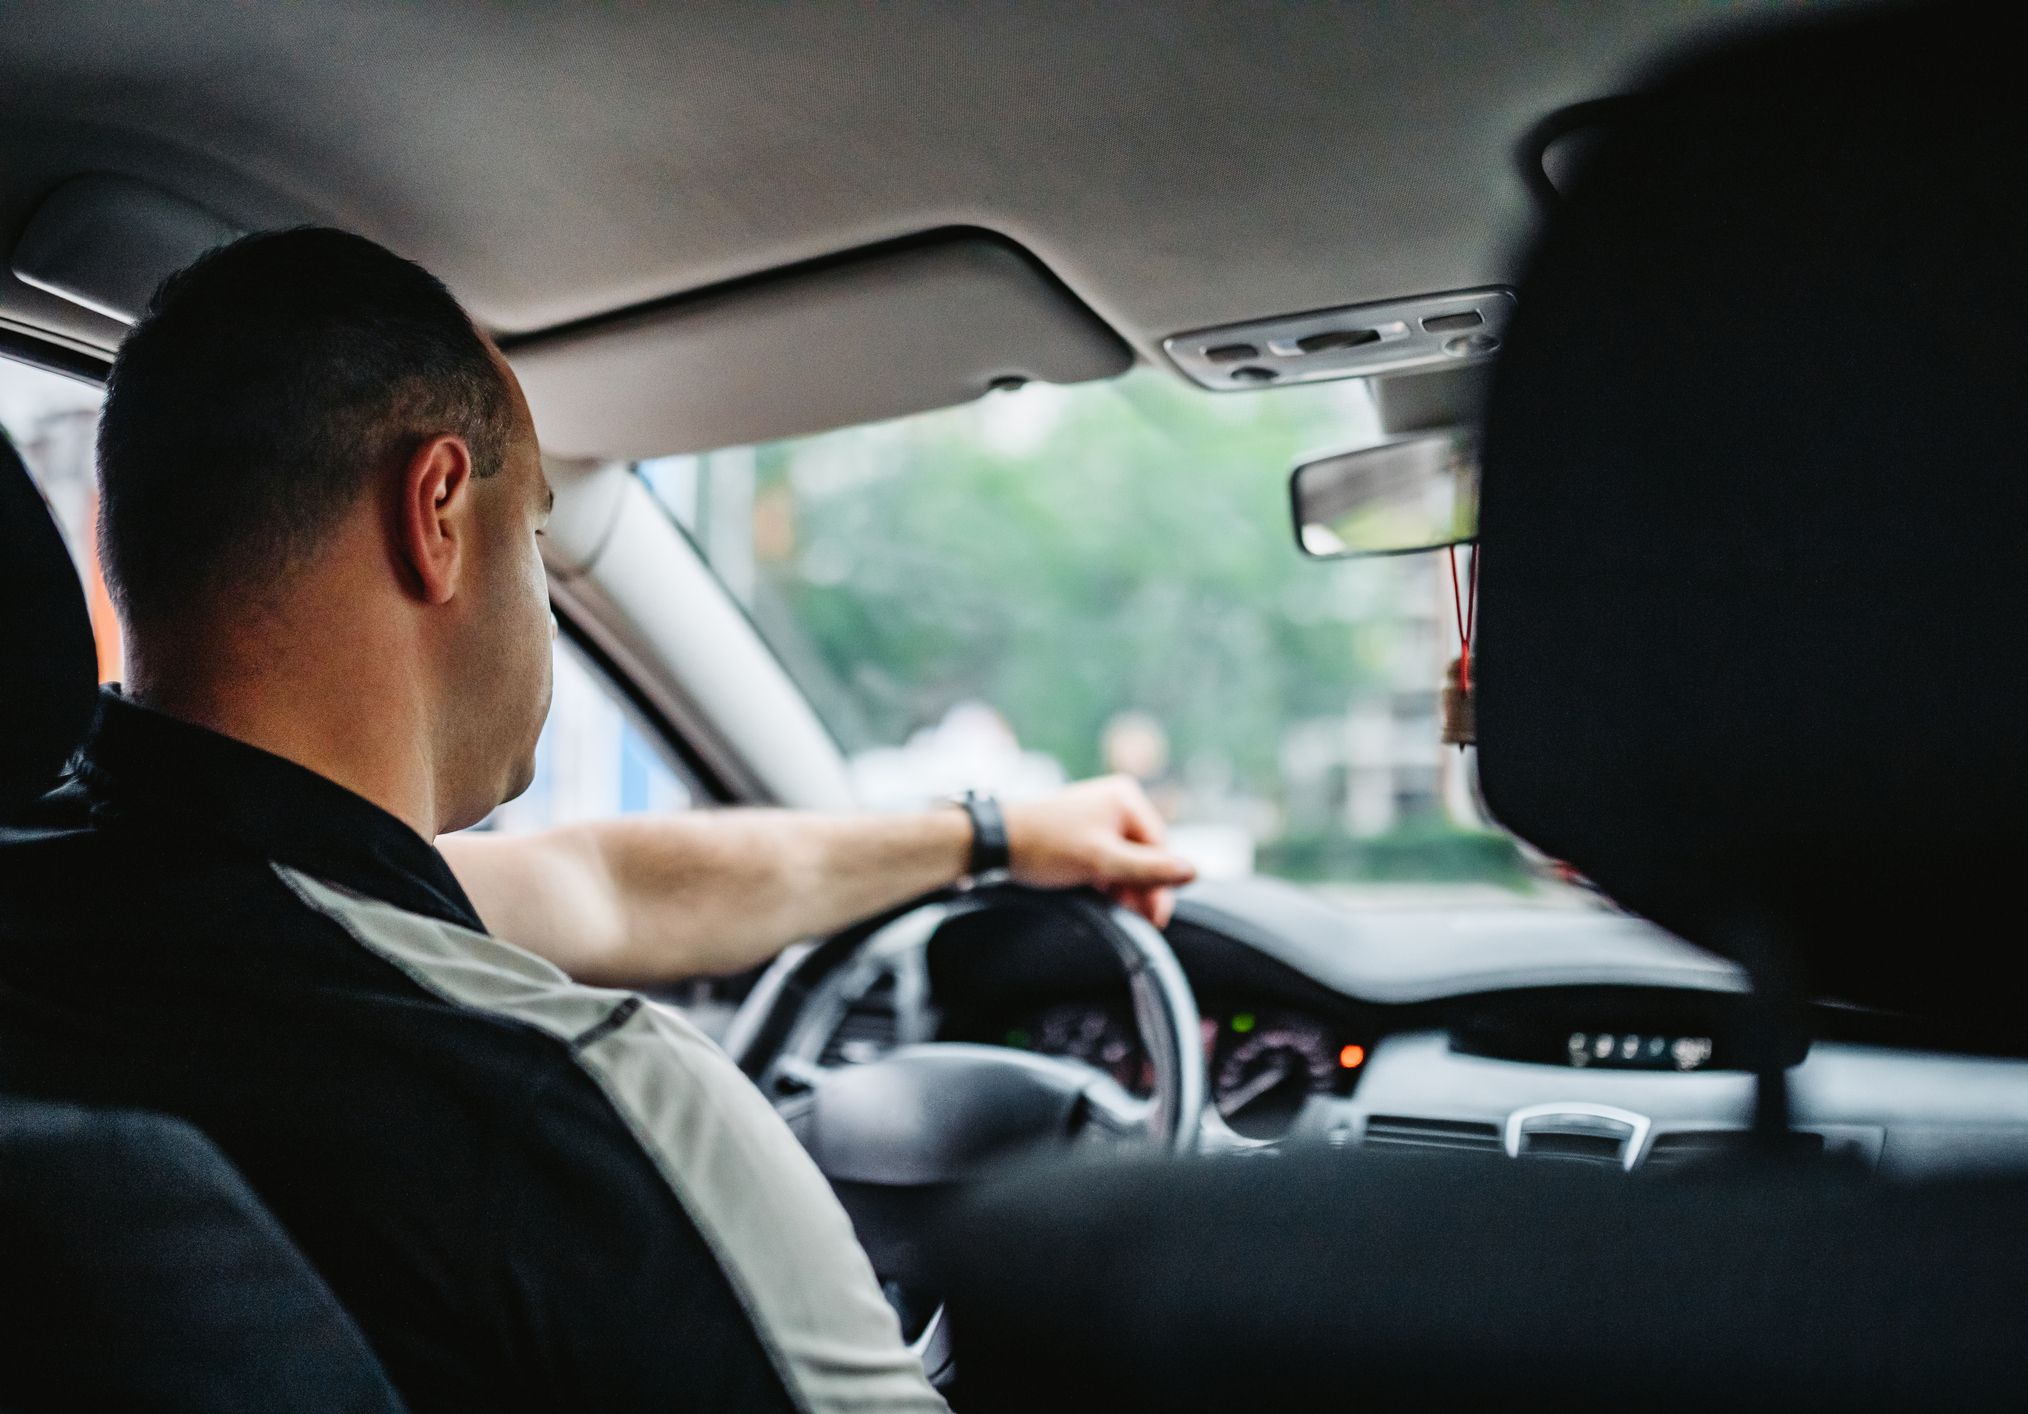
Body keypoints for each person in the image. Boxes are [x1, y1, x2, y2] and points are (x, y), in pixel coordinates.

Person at [0, 227, 1194, 1412]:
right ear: (439, 511)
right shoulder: (565, 1109)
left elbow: (603, 887)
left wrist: (988, 835)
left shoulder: (72, 907)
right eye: (536, 529)